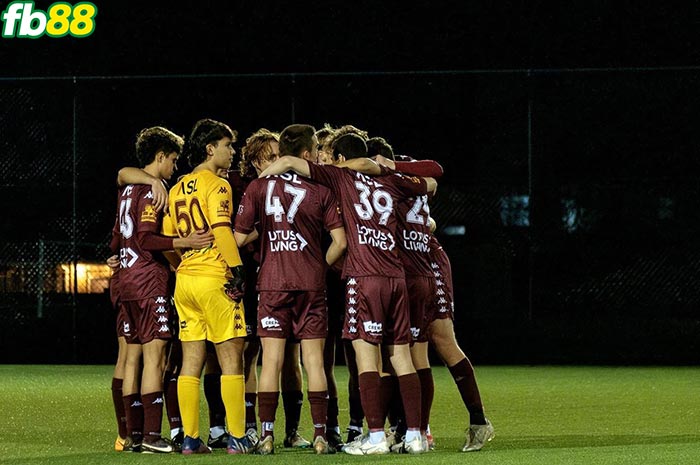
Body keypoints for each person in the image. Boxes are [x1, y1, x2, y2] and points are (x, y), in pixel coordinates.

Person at [258, 132, 437, 456]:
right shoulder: (390, 181)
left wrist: (263, 179)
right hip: (395, 277)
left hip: (364, 278)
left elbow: (287, 161)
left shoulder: (341, 177)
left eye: (329, 154)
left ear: (341, 159)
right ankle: (415, 435)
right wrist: (384, 166)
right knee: (400, 357)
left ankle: (376, 436)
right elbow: (432, 182)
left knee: (366, 358)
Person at [235, 124, 347, 455]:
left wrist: (268, 238)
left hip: (271, 283)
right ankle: (320, 436)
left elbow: (239, 238)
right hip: (311, 284)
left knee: (269, 362)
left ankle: (266, 436)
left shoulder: (257, 187)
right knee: (313, 362)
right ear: (305, 153)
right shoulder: (321, 190)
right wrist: (319, 264)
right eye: (313, 149)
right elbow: (340, 242)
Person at [112, 126, 214, 453]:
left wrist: (114, 256)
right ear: (159, 157)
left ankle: (133, 435)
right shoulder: (154, 191)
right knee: (155, 360)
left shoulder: (128, 188)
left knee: (132, 360)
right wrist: (185, 242)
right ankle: (154, 437)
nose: (174, 166)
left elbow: (118, 236)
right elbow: (145, 238)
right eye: (171, 160)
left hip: (125, 281)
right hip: (147, 281)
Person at [160, 118, 253, 455]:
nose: (233, 151)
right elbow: (222, 230)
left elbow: (171, 241)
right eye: (228, 145)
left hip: (185, 283)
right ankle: (239, 437)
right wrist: (238, 270)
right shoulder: (217, 184)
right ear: (210, 148)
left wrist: (181, 267)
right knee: (232, 360)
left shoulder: (177, 187)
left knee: (191, 362)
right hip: (215, 279)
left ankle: (189, 438)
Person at [426, 221, 495, 452]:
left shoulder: (404, 184)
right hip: (394, 262)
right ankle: (413, 429)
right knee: (402, 345)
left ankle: (478, 421)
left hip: (424, 258)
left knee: (442, 339)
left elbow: (430, 222)